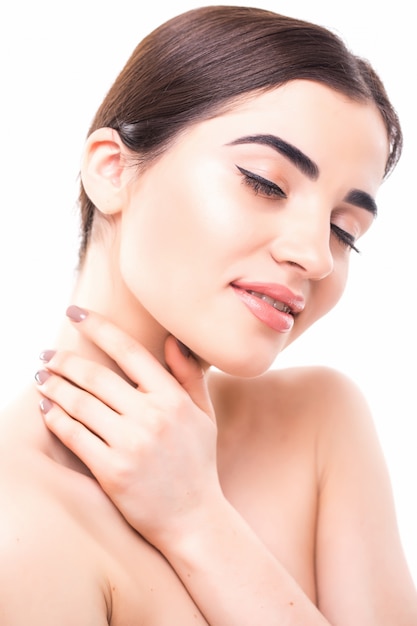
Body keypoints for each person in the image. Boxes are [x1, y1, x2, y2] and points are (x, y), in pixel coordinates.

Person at [1, 4, 416, 624]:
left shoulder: (320, 422)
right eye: (265, 183)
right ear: (112, 170)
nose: (316, 257)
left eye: (343, 230)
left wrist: (197, 519)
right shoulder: (18, 518)